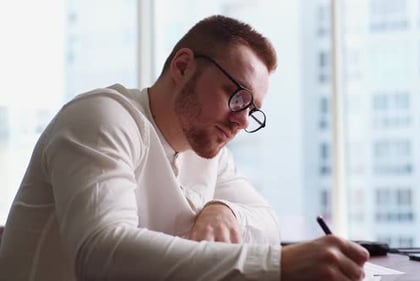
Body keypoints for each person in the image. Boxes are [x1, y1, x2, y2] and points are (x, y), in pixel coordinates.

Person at [0, 15, 368, 281]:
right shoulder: (101, 118)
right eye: (237, 96)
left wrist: (226, 211)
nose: (242, 121)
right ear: (183, 66)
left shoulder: (208, 152)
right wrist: (279, 267)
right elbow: (100, 253)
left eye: (252, 110)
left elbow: (267, 221)